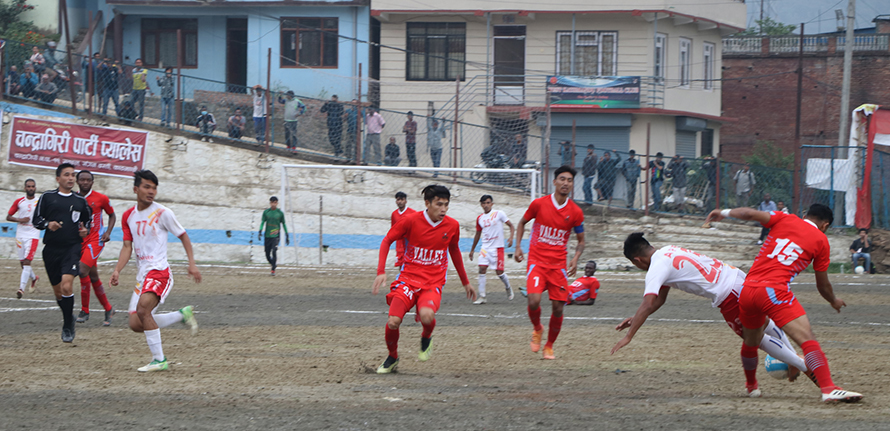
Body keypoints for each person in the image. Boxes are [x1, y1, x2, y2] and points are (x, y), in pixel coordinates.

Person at [612, 232, 811, 393]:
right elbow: (659, 300)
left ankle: (803, 365)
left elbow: (647, 303)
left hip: (727, 294)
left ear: (637, 260)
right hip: (739, 277)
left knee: (754, 338)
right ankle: (793, 358)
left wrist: (629, 336)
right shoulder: (668, 251)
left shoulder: (656, 267)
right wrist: (636, 319)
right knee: (765, 323)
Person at [704, 204, 863, 403]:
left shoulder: (785, 218)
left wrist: (724, 212)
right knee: (807, 339)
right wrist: (834, 301)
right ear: (825, 225)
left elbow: (750, 214)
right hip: (773, 290)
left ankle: (751, 386)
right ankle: (828, 388)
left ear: (804, 214)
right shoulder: (821, 240)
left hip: (747, 289)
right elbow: (822, 285)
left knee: (751, 341)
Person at [371, 185, 476, 373]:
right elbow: (387, 240)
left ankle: (426, 336)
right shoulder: (410, 221)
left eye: (446, 205)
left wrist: (465, 282)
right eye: (439, 204)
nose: (443, 209)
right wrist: (381, 271)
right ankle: (392, 356)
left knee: (427, 316)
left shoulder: (452, 226)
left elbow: (454, 251)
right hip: (408, 279)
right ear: (427, 203)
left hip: (432, 283)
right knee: (393, 321)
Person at [110, 170, 201, 372]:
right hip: (142, 275)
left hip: (159, 271)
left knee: (143, 310)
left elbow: (184, 236)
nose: (151, 191)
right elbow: (127, 247)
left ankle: (159, 360)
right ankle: (182, 314)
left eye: (154, 187)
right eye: (146, 187)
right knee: (135, 323)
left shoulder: (163, 213)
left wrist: (191, 264)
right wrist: (117, 270)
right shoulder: (128, 216)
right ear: (136, 189)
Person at [514, 166, 586, 360]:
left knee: (558, 307)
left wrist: (575, 258)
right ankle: (537, 328)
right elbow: (521, 223)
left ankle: (549, 345)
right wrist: (518, 246)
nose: (565, 183)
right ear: (554, 182)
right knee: (534, 300)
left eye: (569, 180)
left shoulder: (576, 212)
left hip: (558, 266)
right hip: (537, 262)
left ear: (572, 184)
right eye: (562, 179)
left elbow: (581, 240)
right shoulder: (539, 204)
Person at [31, 163, 92, 343]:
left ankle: (67, 324)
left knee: (67, 286)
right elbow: (36, 220)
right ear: (58, 178)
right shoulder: (48, 197)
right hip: (51, 250)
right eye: (67, 175)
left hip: (72, 248)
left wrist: (84, 231)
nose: (71, 178)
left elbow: (87, 222)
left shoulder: (80, 201)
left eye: (73, 175)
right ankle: (69, 315)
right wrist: (47, 224)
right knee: (59, 293)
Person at [74, 170, 116, 326]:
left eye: (88, 180)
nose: (85, 182)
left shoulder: (101, 198)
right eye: (82, 180)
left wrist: (108, 232)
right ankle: (108, 308)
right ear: (78, 181)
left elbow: (112, 215)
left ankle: (85, 311)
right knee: (93, 277)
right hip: (80, 241)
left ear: (92, 182)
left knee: (82, 270)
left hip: (95, 240)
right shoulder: (74, 198)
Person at [468, 194, 516, 304]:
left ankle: (508, 287)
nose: (486, 205)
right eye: (484, 203)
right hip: (485, 248)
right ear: (481, 205)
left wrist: (511, 237)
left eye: (488, 203)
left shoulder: (499, 214)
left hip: (497, 248)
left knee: (499, 272)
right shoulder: (480, 218)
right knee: (482, 269)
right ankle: (482, 297)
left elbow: (511, 225)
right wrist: (472, 250)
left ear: (492, 204)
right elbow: (477, 234)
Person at [7, 179, 40, 298]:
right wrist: (20, 220)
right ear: (25, 188)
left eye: (32, 186)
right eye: (28, 186)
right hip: (20, 235)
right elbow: (9, 216)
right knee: (23, 264)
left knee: (27, 262)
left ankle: (21, 289)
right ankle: (34, 278)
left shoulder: (40, 201)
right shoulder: (19, 202)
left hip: (33, 235)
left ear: (35, 188)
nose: (31, 188)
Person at [259, 196, 289, 276]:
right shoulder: (266, 212)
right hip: (267, 235)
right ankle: (273, 264)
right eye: (272, 202)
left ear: (277, 203)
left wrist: (287, 234)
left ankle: (273, 270)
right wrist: (260, 230)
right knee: (267, 254)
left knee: (274, 250)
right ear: (270, 203)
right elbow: (263, 222)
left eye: (275, 202)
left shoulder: (280, 213)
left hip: (276, 235)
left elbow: (284, 224)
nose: (273, 204)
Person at [390, 191, 416, 268]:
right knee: (401, 263)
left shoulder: (412, 213)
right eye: (398, 200)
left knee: (411, 262)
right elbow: (393, 228)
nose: (400, 202)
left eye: (402, 199)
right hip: (400, 243)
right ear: (396, 201)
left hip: (410, 241)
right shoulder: (394, 214)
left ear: (406, 201)